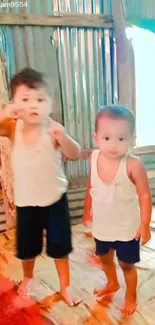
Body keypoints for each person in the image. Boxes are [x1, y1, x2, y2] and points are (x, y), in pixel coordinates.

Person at [0, 67, 81, 306]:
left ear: (50, 103)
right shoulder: (14, 127)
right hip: (26, 202)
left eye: (40, 99)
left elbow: (74, 153)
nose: (33, 105)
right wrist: (5, 113)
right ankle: (28, 278)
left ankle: (65, 287)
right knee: (27, 248)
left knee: (60, 247)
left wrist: (64, 137)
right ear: (15, 103)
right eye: (25, 99)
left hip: (55, 199)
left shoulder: (53, 128)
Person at [84, 105, 152, 315]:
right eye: (107, 138)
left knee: (126, 264)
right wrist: (87, 211)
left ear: (132, 138)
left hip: (126, 229)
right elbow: (91, 186)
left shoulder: (133, 165)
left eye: (121, 139)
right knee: (105, 258)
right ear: (96, 138)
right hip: (102, 226)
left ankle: (130, 294)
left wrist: (145, 225)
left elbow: (144, 195)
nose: (113, 145)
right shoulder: (94, 158)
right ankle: (112, 283)